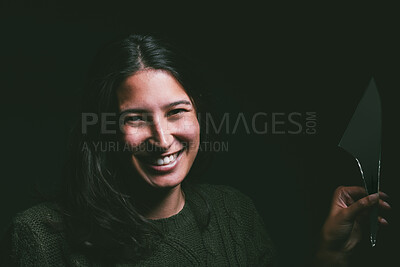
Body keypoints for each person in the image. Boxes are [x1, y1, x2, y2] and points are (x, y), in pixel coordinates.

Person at [0, 34, 391, 266]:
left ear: (199, 116)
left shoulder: (234, 213)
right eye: (135, 118)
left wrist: (328, 255)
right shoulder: (42, 235)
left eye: (177, 112)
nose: (163, 138)